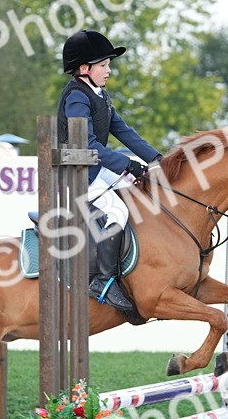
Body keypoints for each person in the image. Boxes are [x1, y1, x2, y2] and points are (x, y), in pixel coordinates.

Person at [57, 30, 162, 313]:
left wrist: (155, 158)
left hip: (93, 170)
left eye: (108, 65)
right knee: (118, 211)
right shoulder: (77, 98)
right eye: (103, 65)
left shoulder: (99, 95)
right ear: (84, 69)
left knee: (137, 195)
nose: (109, 70)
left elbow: (123, 131)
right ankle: (102, 281)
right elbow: (87, 144)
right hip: (77, 175)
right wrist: (127, 164)